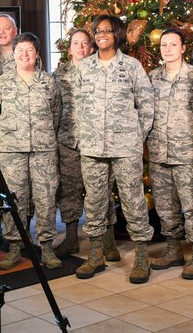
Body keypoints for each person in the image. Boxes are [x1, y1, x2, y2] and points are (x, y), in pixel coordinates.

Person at [75, 15, 155, 284]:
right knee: (95, 203)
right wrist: (83, 135)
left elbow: (146, 106)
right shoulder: (84, 67)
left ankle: (142, 257)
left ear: (117, 34)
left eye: (107, 31)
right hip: (92, 146)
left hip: (125, 147)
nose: (102, 35)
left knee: (133, 202)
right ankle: (96, 254)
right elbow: (76, 106)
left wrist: (134, 136)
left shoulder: (131, 66)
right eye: (97, 31)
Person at [146, 29, 193, 279]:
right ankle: (173, 250)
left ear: (183, 48)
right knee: (165, 206)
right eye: (164, 44)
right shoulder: (152, 78)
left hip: (188, 155)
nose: (168, 48)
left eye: (173, 44)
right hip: (159, 153)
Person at [0, 32, 62, 270]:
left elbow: (56, 114)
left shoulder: (48, 83)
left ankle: (47, 248)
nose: (25, 55)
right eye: (20, 50)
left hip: (43, 151)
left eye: (29, 50)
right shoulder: (1, 84)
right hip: (11, 152)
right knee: (14, 200)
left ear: (37, 54)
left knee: (45, 199)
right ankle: (15, 247)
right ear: (13, 53)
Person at [52, 29, 119, 260]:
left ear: (91, 48)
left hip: (97, 142)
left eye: (85, 44)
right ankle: (71, 239)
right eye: (75, 43)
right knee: (68, 191)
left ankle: (107, 242)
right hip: (68, 141)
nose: (80, 48)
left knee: (102, 192)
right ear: (69, 49)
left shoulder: (101, 71)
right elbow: (53, 108)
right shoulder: (58, 75)